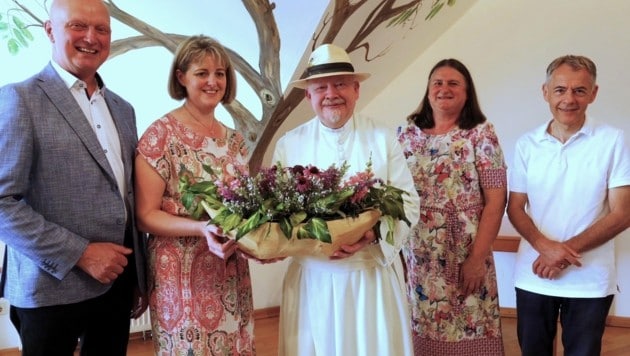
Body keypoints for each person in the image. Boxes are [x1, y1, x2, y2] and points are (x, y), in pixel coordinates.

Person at [0, 0, 147, 354]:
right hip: (51, 287)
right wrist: (80, 253)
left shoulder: (123, 109)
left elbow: (126, 197)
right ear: (51, 31)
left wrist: (139, 276)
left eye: (102, 29)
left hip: (117, 282)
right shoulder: (20, 99)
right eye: (78, 26)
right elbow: (3, 204)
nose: (91, 38)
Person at [272, 43, 420, 356]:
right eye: (321, 86)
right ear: (307, 95)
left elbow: (408, 202)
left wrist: (372, 235)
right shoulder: (289, 145)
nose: (331, 93)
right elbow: (277, 214)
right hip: (313, 280)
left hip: (370, 277)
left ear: (356, 90)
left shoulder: (382, 138)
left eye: (340, 84)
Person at [134, 35, 255, 355]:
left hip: (229, 271)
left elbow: (245, 207)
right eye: (202, 73)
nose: (213, 81)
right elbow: (145, 214)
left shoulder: (236, 141)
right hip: (180, 275)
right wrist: (201, 228)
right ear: (181, 77)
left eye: (220, 73)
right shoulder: (161, 135)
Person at [506, 55, 630, 356]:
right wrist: (545, 247)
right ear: (545, 92)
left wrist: (560, 254)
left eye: (579, 90)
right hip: (533, 275)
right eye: (560, 90)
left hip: (590, 279)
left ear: (594, 93)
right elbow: (515, 207)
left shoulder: (614, 141)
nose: (569, 99)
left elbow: (623, 213)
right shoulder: (526, 144)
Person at [397, 58, 507, 355]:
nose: (444, 88)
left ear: (467, 92)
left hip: (467, 249)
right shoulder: (406, 134)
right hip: (420, 255)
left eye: (453, 83)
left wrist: (477, 259)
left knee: (471, 318)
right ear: (428, 90)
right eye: (438, 83)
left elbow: (497, 199)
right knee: (423, 324)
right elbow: (395, 195)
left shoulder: (482, 134)